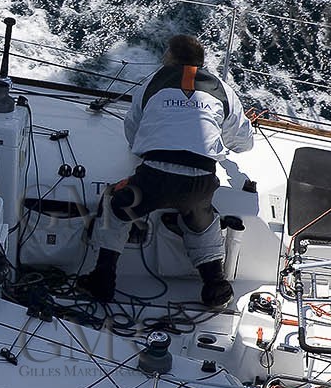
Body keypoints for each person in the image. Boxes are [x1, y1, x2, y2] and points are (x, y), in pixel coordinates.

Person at [78, 34, 255, 308]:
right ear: (201, 62)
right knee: (203, 217)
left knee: (117, 202)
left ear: (169, 58)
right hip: (200, 181)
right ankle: (215, 285)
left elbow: (132, 133)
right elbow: (244, 142)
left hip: (155, 177)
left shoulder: (152, 83)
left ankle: (102, 280)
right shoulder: (223, 89)